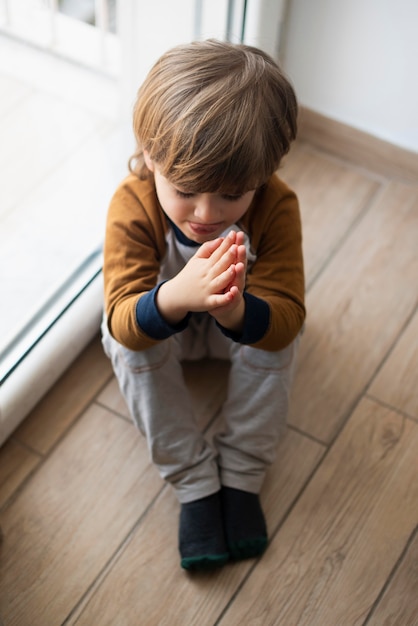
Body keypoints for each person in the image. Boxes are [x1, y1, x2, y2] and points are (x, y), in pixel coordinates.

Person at [101, 39, 305, 571]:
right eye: (186, 189)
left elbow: (284, 318)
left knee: (283, 338)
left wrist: (234, 311)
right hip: (166, 331)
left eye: (234, 194)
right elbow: (124, 320)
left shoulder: (277, 205)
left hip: (232, 331)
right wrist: (174, 298)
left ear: (263, 175)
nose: (206, 213)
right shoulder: (133, 203)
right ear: (150, 155)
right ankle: (192, 480)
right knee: (116, 336)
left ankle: (241, 474)